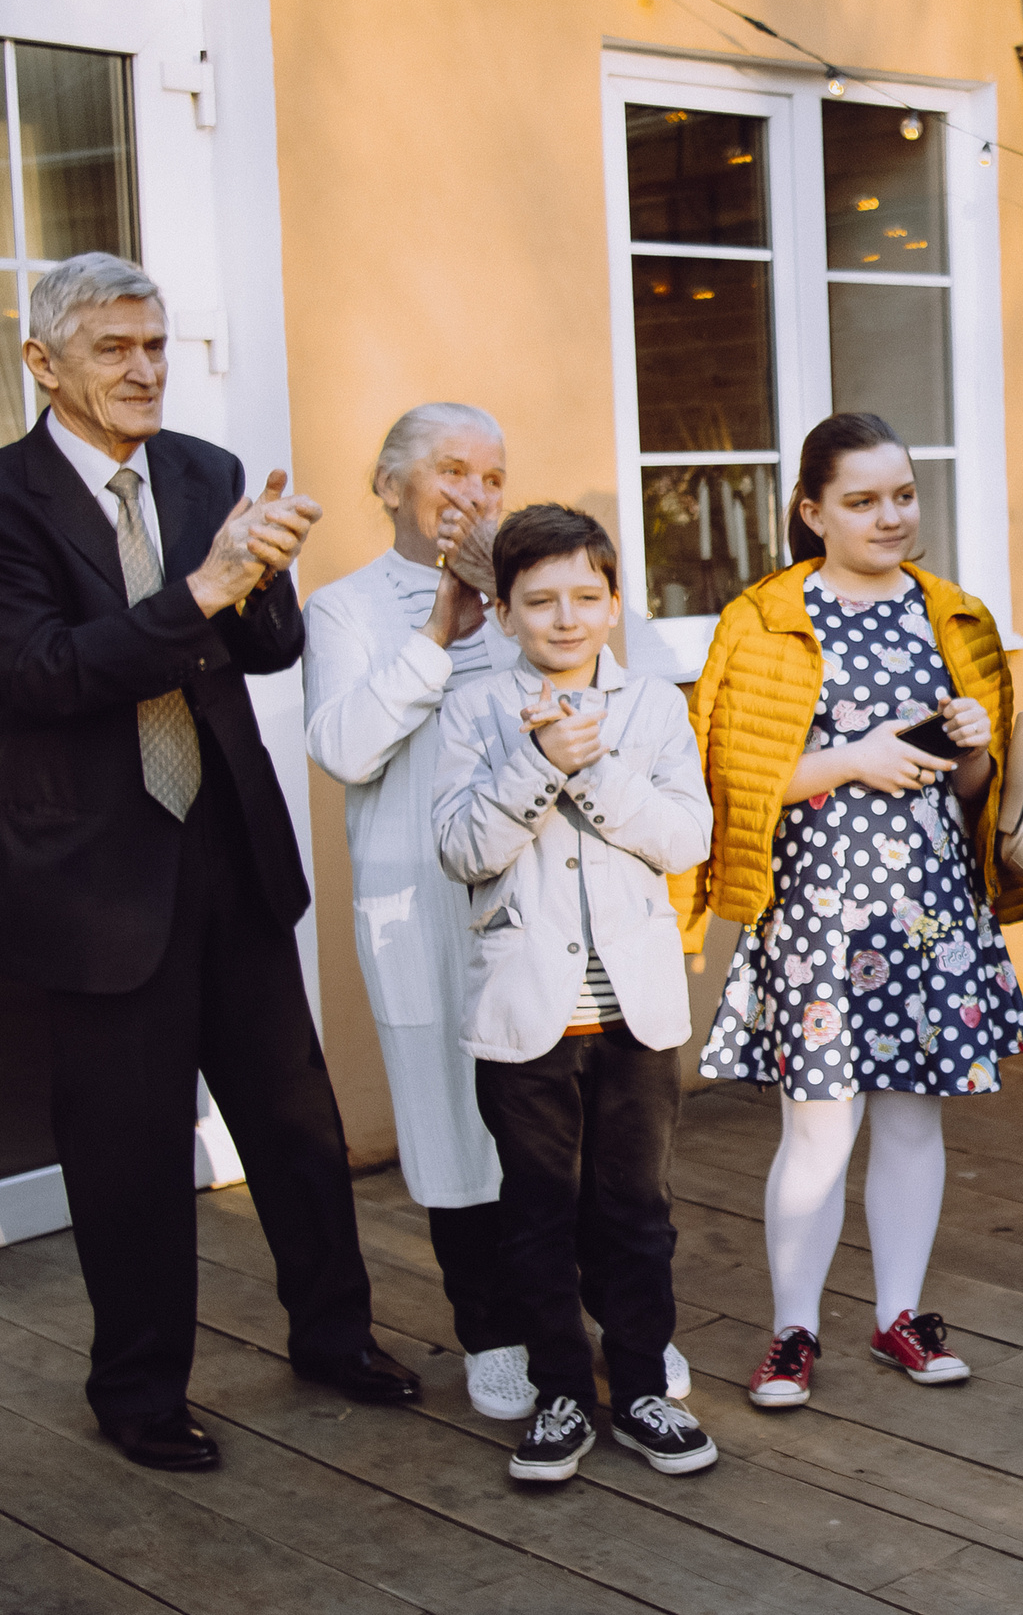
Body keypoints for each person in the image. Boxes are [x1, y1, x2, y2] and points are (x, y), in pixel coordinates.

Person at [0, 252, 417, 1472]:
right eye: (115, 350)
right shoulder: (7, 502)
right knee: (126, 1157)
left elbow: (269, 650)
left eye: (157, 344)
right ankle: (135, 1391)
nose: (145, 370)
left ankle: (335, 1336)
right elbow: (42, 674)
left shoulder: (205, 472)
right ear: (43, 364)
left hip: (227, 850)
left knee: (295, 1125)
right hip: (95, 880)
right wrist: (205, 585)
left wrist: (265, 572)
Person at [304, 406, 693, 1420]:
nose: (476, 495)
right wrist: (443, 629)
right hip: (427, 904)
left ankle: (623, 1325)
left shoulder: (547, 587)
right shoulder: (348, 609)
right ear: (390, 485)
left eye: (494, 474)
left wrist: (512, 598)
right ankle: (496, 1327)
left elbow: (633, 692)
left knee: (594, 1134)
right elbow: (345, 747)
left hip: (558, 898)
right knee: (459, 1130)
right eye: (451, 473)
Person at [689, 413, 1023, 1405]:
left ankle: (900, 1315)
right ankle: (790, 1332)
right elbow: (733, 779)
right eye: (861, 500)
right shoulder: (762, 620)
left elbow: (976, 793)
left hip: (927, 908)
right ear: (810, 511)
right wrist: (848, 759)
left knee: (913, 1122)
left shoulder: (954, 615)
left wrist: (972, 745)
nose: (890, 517)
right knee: (817, 1130)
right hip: (820, 909)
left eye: (902, 494)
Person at [434, 505, 715, 1483]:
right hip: (525, 1013)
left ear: (612, 604)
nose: (565, 618)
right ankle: (561, 1394)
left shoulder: (651, 707)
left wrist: (587, 765)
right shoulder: (473, 709)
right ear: (503, 611)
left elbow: (687, 838)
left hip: (634, 1011)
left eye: (586, 598)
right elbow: (463, 847)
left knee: (636, 1206)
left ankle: (637, 1384)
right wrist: (533, 761)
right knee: (539, 1210)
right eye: (539, 601)